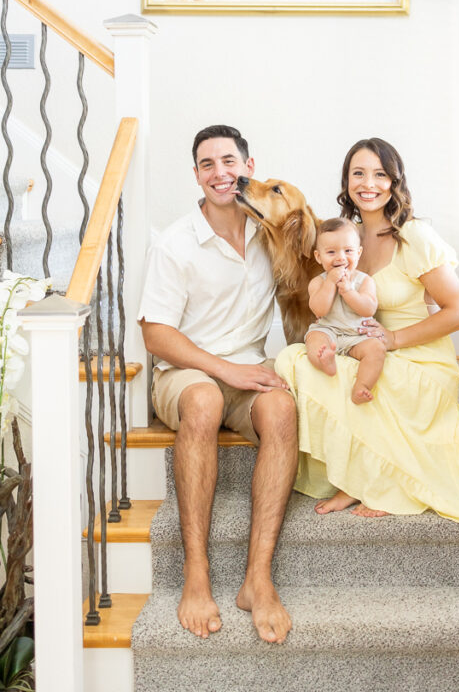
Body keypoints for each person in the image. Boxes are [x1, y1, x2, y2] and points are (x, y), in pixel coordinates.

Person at [276, 137, 459, 534]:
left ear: (394, 181)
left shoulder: (414, 237)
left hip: (418, 355)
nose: (368, 183)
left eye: (379, 174)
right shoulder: (345, 237)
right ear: (346, 181)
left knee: (362, 377)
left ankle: (382, 482)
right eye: (358, 173)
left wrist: (394, 340)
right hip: (363, 344)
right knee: (295, 361)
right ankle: (354, 477)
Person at [137, 124, 298, 645]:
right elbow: (156, 334)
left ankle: (258, 577)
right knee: (204, 399)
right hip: (185, 374)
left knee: (281, 410)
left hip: (245, 372)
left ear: (249, 167)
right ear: (196, 176)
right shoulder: (176, 242)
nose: (219, 172)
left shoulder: (269, 231)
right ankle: (197, 573)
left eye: (228, 161)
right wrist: (223, 370)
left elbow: (316, 275)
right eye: (207, 164)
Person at [304, 217, 385, 404]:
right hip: (328, 330)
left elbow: (368, 309)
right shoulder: (318, 282)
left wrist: (348, 291)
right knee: (314, 340)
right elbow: (319, 310)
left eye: (348, 251)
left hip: (357, 335)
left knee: (377, 349)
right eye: (331, 252)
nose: (340, 257)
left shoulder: (364, 281)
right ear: (319, 256)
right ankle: (325, 362)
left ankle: (362, 386)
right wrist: (330, 283)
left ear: (358, 253)